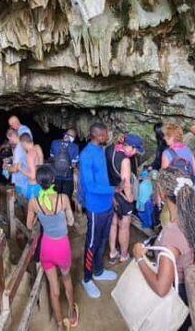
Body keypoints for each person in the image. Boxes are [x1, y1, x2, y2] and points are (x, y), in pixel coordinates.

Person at [131, 168, 195, 329]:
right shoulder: (191, 217)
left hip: (177, 297)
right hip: (188, 292)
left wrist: (139, 258)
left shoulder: (172, 236)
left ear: (163, 192)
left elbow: (161, 288)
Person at [26, 165, 79, 330]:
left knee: (53, 289)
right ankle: (71, 313)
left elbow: (29, 225)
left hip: (46, 248)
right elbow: (71, 221)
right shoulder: (63, 199)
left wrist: (38, 217)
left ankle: (60, 325)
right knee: (66, 279)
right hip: (62, 246)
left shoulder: (34, 202)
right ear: (53, 180)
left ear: (38, 182)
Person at [78, 122, 118, 298]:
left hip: (107, 204)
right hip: (95, 207)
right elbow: (90, 186)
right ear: (98, 135)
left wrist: (112, 197)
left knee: (102, 240)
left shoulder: (100, 150)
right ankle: (87, 279)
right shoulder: (86, 155)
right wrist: (114, 190)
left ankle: (98, 271)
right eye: (105, 134)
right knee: (92, 243)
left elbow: (103, 178)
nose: (107, 136)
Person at [106, 133, 144, 264]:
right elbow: (126, 182)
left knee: (113, 224)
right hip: (122, 196)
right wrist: (130, 198)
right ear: (129, 146)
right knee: (124, 227)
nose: (136, 153)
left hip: (110, 192)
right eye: (136, 150)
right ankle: (123, 255)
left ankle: (112, 253)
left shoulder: (110, 149)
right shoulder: (125, 160)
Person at [49, 129, 80, 200]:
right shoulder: (75, 147)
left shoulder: (54, 143)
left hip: (55, 176)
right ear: (73, 138)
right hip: (68, 177)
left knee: (55, 199)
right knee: (66, 199)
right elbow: (74, 164)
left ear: (65, 134)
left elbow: (52, 157)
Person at [16, 132, 44, 199]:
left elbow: (33, 176)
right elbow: (41, 157)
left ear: (24, 143)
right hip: (41, 184)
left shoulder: (30, 155)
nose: (21, 146)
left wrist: (20, 169)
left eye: (21, 144)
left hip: (33, 187)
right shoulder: (37, 147)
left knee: (32, 205)